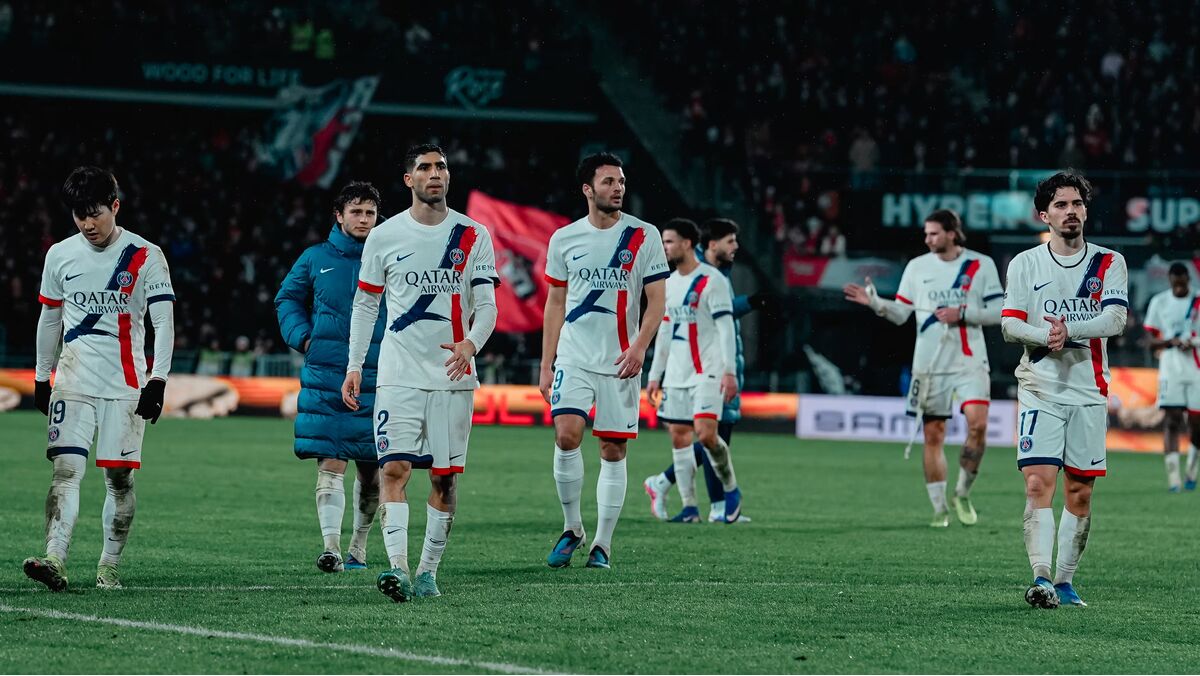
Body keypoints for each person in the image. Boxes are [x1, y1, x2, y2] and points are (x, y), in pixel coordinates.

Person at [342, 144, 498, 602]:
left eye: (441, 166)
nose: (436, 174)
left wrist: (472, 343)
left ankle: (429, 572)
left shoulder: (473, 235)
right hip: (398, 374)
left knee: (444, 479)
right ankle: (399, 568)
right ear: (409, 179)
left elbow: (488, 305)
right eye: (425, 168)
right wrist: (355, 365)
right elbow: (366, 305)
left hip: (453, 376)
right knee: (393, 468)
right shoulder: (385, 236)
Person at [24, 166, 175, 591]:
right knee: (65, 470)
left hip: (125, 386)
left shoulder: (146, 255)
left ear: (115, 206)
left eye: (95, 213)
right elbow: (50, 317)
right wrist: (42, 376)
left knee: (119, 479)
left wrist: (158, 380)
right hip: (73, 380)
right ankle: (55, 558)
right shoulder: (60, 255)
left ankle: (109, 565)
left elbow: (163, 322)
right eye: (79, 214)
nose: (87, 224)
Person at [1001, 170, 1128, 608]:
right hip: (1040, 386)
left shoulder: (1109, 262)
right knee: (1038, 482)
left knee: (1080, 490)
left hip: (1089, 390)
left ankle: (1066, 581)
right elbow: (1009, 324)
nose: (1070, 211)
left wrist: (1068, 329)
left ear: (1086, 211)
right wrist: (1045, 335)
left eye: (1077, 203)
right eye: (1060, 205)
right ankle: (1041, 578)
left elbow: (1115, 319)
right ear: (1044, 215)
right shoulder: (1025, 263)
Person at [540, 152, 669, 569]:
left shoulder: (644, 235)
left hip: (621, 361)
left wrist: (640, 347)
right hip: (574, 356)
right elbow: (555, 303)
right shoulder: (564, 238)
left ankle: (602, 543)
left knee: (613, 448)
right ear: (587, 189)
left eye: (621, 181)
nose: (618, 188)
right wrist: (546, 364)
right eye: (609, 181)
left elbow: (656, 301)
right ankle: (572, 527)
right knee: (566, 436)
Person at [843, 210, 1002, 527]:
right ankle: (940, 510)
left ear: (952, 233)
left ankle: (962, 493)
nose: (927, 239)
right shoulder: (917, 267)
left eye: (933, 233)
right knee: (933, 434)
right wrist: (876, 303)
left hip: (970, 361)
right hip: (930, 365)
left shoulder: (980, 264)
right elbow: (901, 313)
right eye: (926, 233)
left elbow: (999, 311)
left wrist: (963, 313)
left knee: (978, 427)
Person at [275, 181, 386, 573]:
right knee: (331, 461)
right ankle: (331, 548)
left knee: (373, 470)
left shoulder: (391, 256)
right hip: (327, 373)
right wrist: (304, 338)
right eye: (356, 211)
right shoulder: (315, 258)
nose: (364, 219)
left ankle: (359, 547)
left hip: (378, 374)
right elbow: (287, 299)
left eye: (370, 213)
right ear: (339, 216)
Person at [643, 218, 766, 523]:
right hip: (677, 373)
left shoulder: (713, 281)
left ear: (687, 243)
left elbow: (726, 329)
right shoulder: (669, 284)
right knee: (679, 438)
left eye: (669, 241)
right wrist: (655, 375)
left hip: (708, 372)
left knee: (707, 435)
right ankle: (689, 508)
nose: (664, 247)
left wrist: (729, 372)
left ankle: (731, 490)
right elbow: (665, 333)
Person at [1142, 262, 1200, 492]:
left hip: (1196, 369)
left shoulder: (1198, 300)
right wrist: (1170, 342)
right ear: (1169, 280)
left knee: (1196, 424)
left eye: (1182, 284)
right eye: (1175, 284)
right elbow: (1149, 340)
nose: (1178, 288)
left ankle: (1191, 471)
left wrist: (1192, 342)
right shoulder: (1160, 302)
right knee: (1172, 420)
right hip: (1170, 369)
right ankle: (1174, 479)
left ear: (1188, 280)